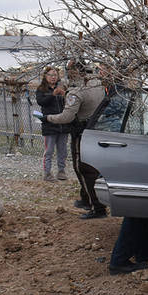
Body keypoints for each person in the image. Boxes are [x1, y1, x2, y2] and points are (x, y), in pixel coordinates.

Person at [41, 60, 107, 219]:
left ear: (73, 72)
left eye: (68, 71)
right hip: (98, 127)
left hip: (81, 131)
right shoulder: (96, 83)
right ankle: (88, 199)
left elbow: (66, 116)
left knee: (82, 168)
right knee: (93, 167)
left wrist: (47, 118)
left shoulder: (76, 92)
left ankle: (96, 206)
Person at [35, 66, 70, 181]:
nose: (53, 77)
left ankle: (61, 171)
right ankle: (47, 173)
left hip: (63, 124)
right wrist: (52, 95)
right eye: (51, 75)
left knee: (62, 150)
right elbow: (41, 102)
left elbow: (70, 102)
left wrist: (65, 94)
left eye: (55, 75)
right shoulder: (41, 89)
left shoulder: (62, 87)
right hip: (49, 124)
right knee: (49, 151)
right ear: (45, 76)